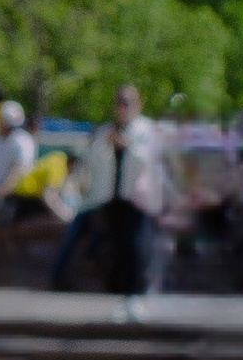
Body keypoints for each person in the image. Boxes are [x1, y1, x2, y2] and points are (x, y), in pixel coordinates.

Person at [57, 83, 172, 304]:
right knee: (113, 245)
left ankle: (137, 291)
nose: (122, 107)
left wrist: (128, 147)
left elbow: (151, 162)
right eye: (119, 102)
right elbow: (91, 163)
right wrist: (107, 146)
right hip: (109, 198)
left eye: (127, 102)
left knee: (137, 245)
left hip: (137, 199)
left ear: (138, 104)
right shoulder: (106, 130)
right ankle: (116, 289)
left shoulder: (146, 130)